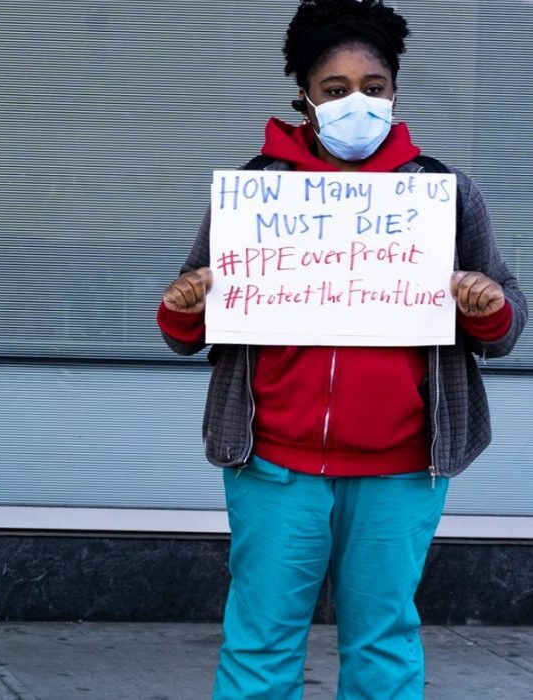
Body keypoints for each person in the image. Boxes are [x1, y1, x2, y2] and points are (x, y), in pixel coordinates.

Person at [157, 1, 523, 697]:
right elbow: (191, 318)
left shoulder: (444, 193)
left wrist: (487, 306)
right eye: (335, 89)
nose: (358, 102)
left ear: (394, 91)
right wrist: (181, 308)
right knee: (260, 642)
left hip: (403, 468)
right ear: (304, 95)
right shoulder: (253, 191)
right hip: (273, 463)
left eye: (374, 87)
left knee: (384, 643)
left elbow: (506, 325)